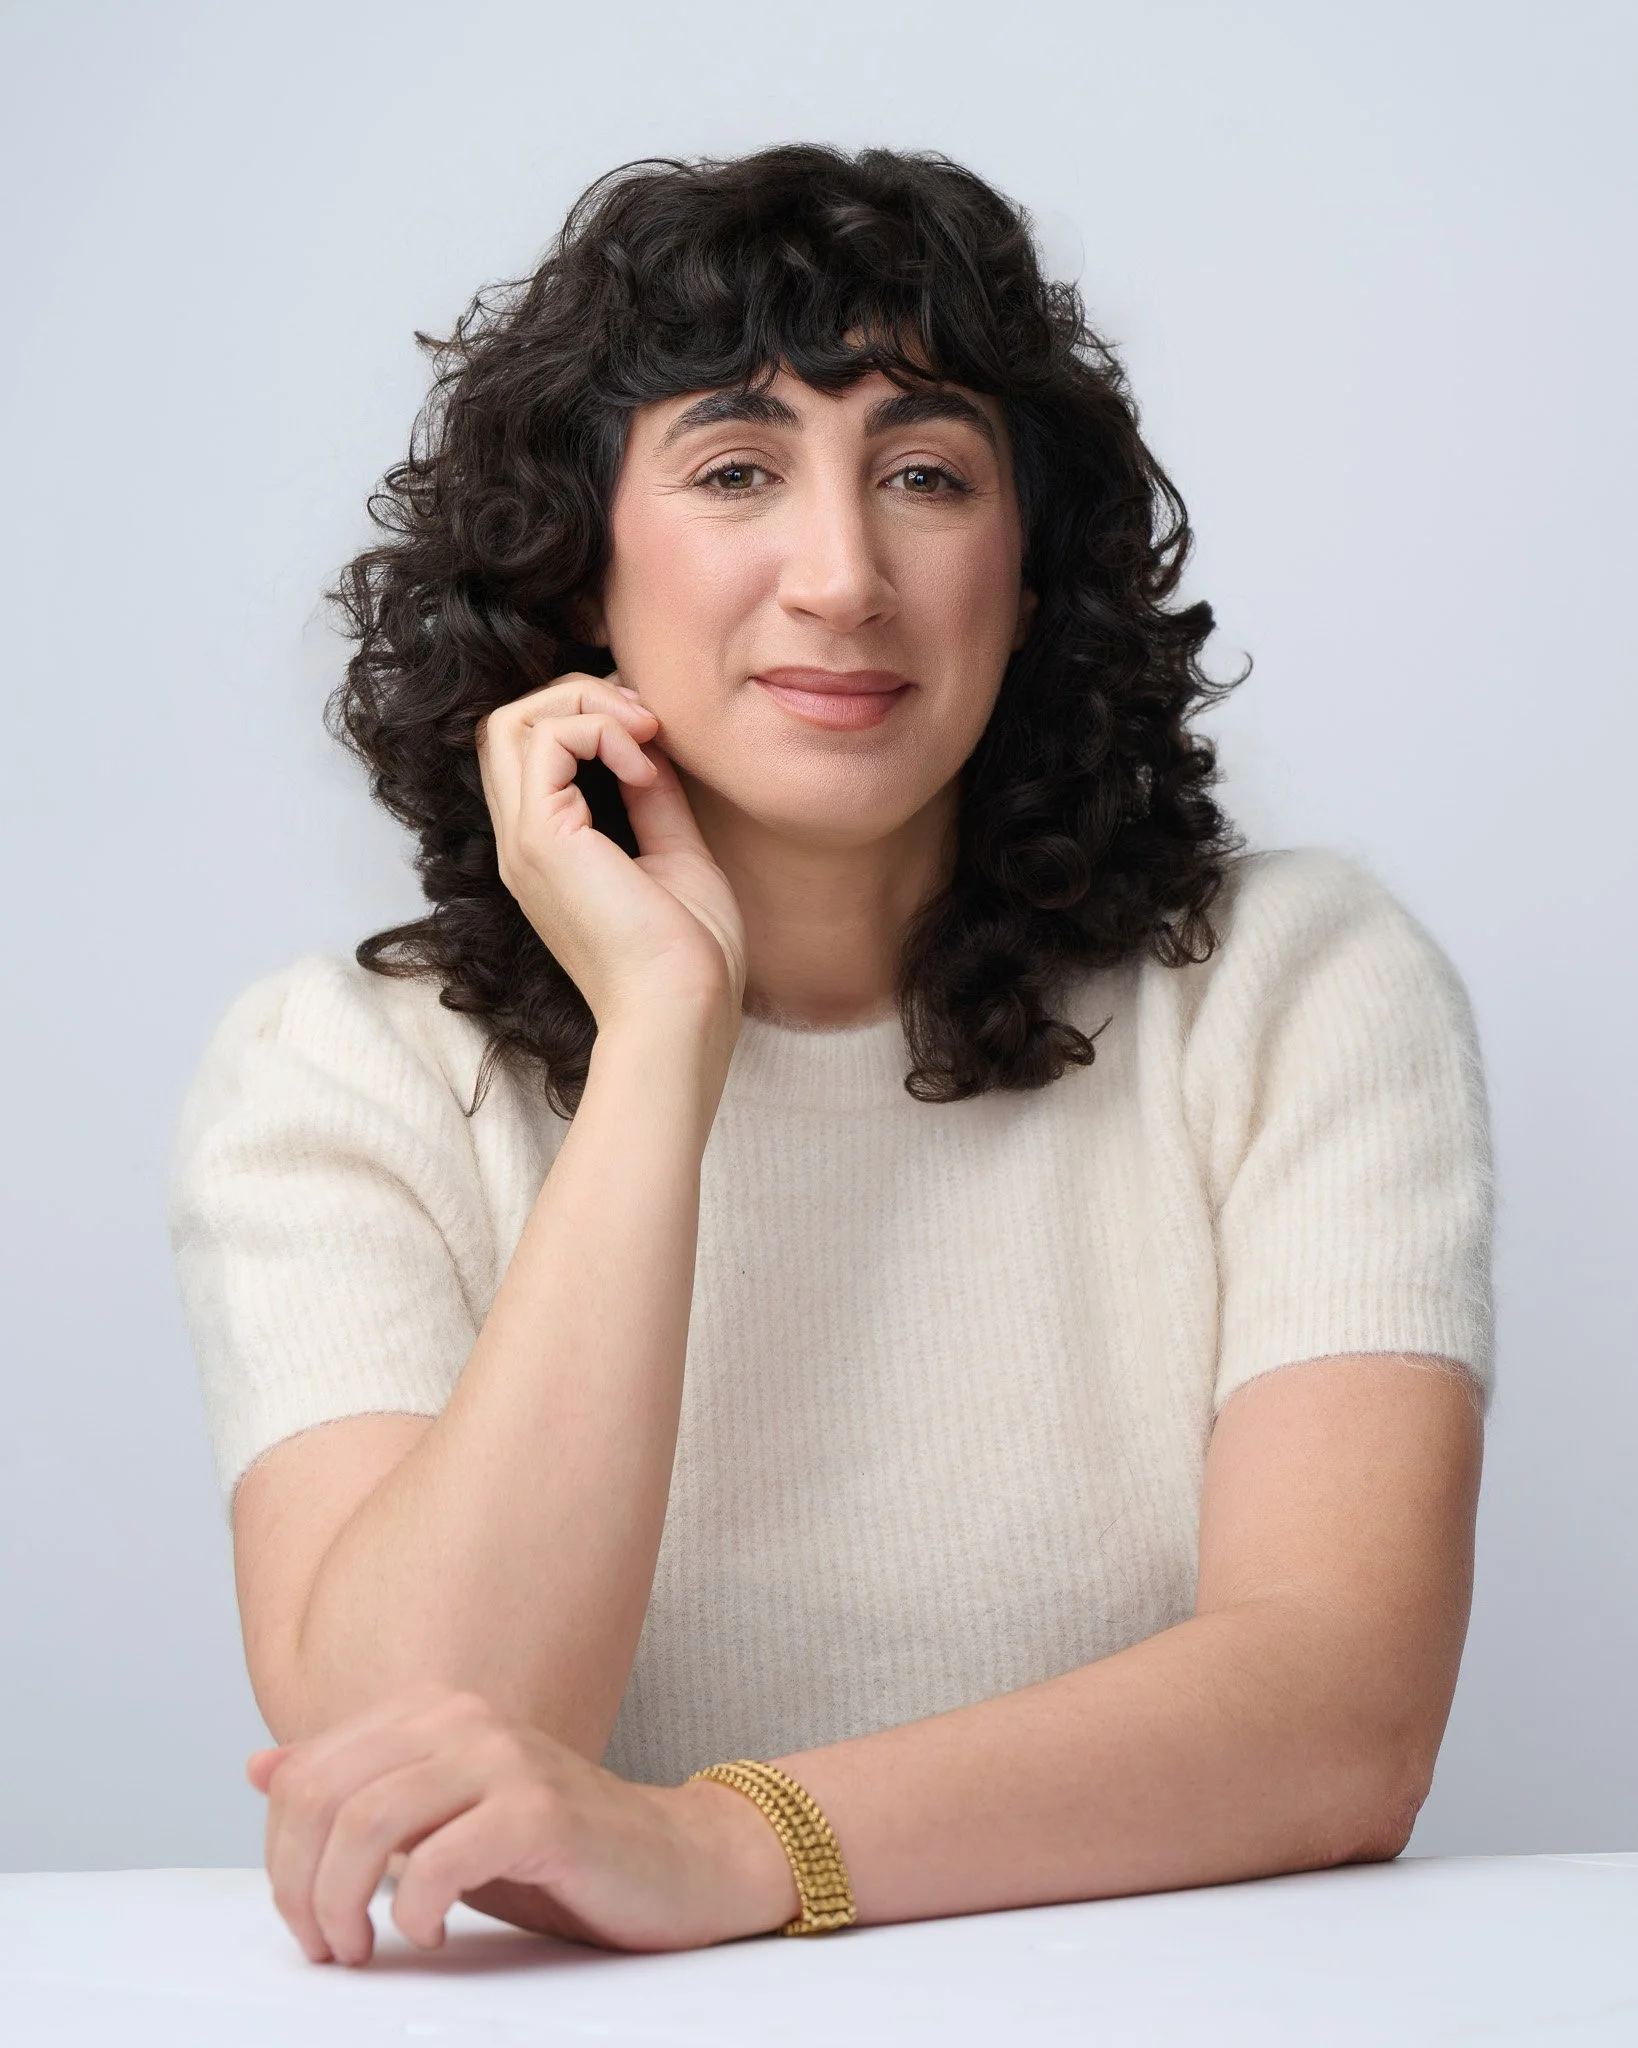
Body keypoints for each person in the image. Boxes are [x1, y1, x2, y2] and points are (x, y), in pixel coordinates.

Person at [167, 143, 1494, 1968]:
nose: (844, 576)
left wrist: (729, 1848)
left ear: (1027, 577)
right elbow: (412, 1766)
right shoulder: (335, 1076)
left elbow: (1344, 1717)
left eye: (927, 477)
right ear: (575, 584)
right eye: (733, 470)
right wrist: (659, 1044)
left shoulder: (1289, 984)